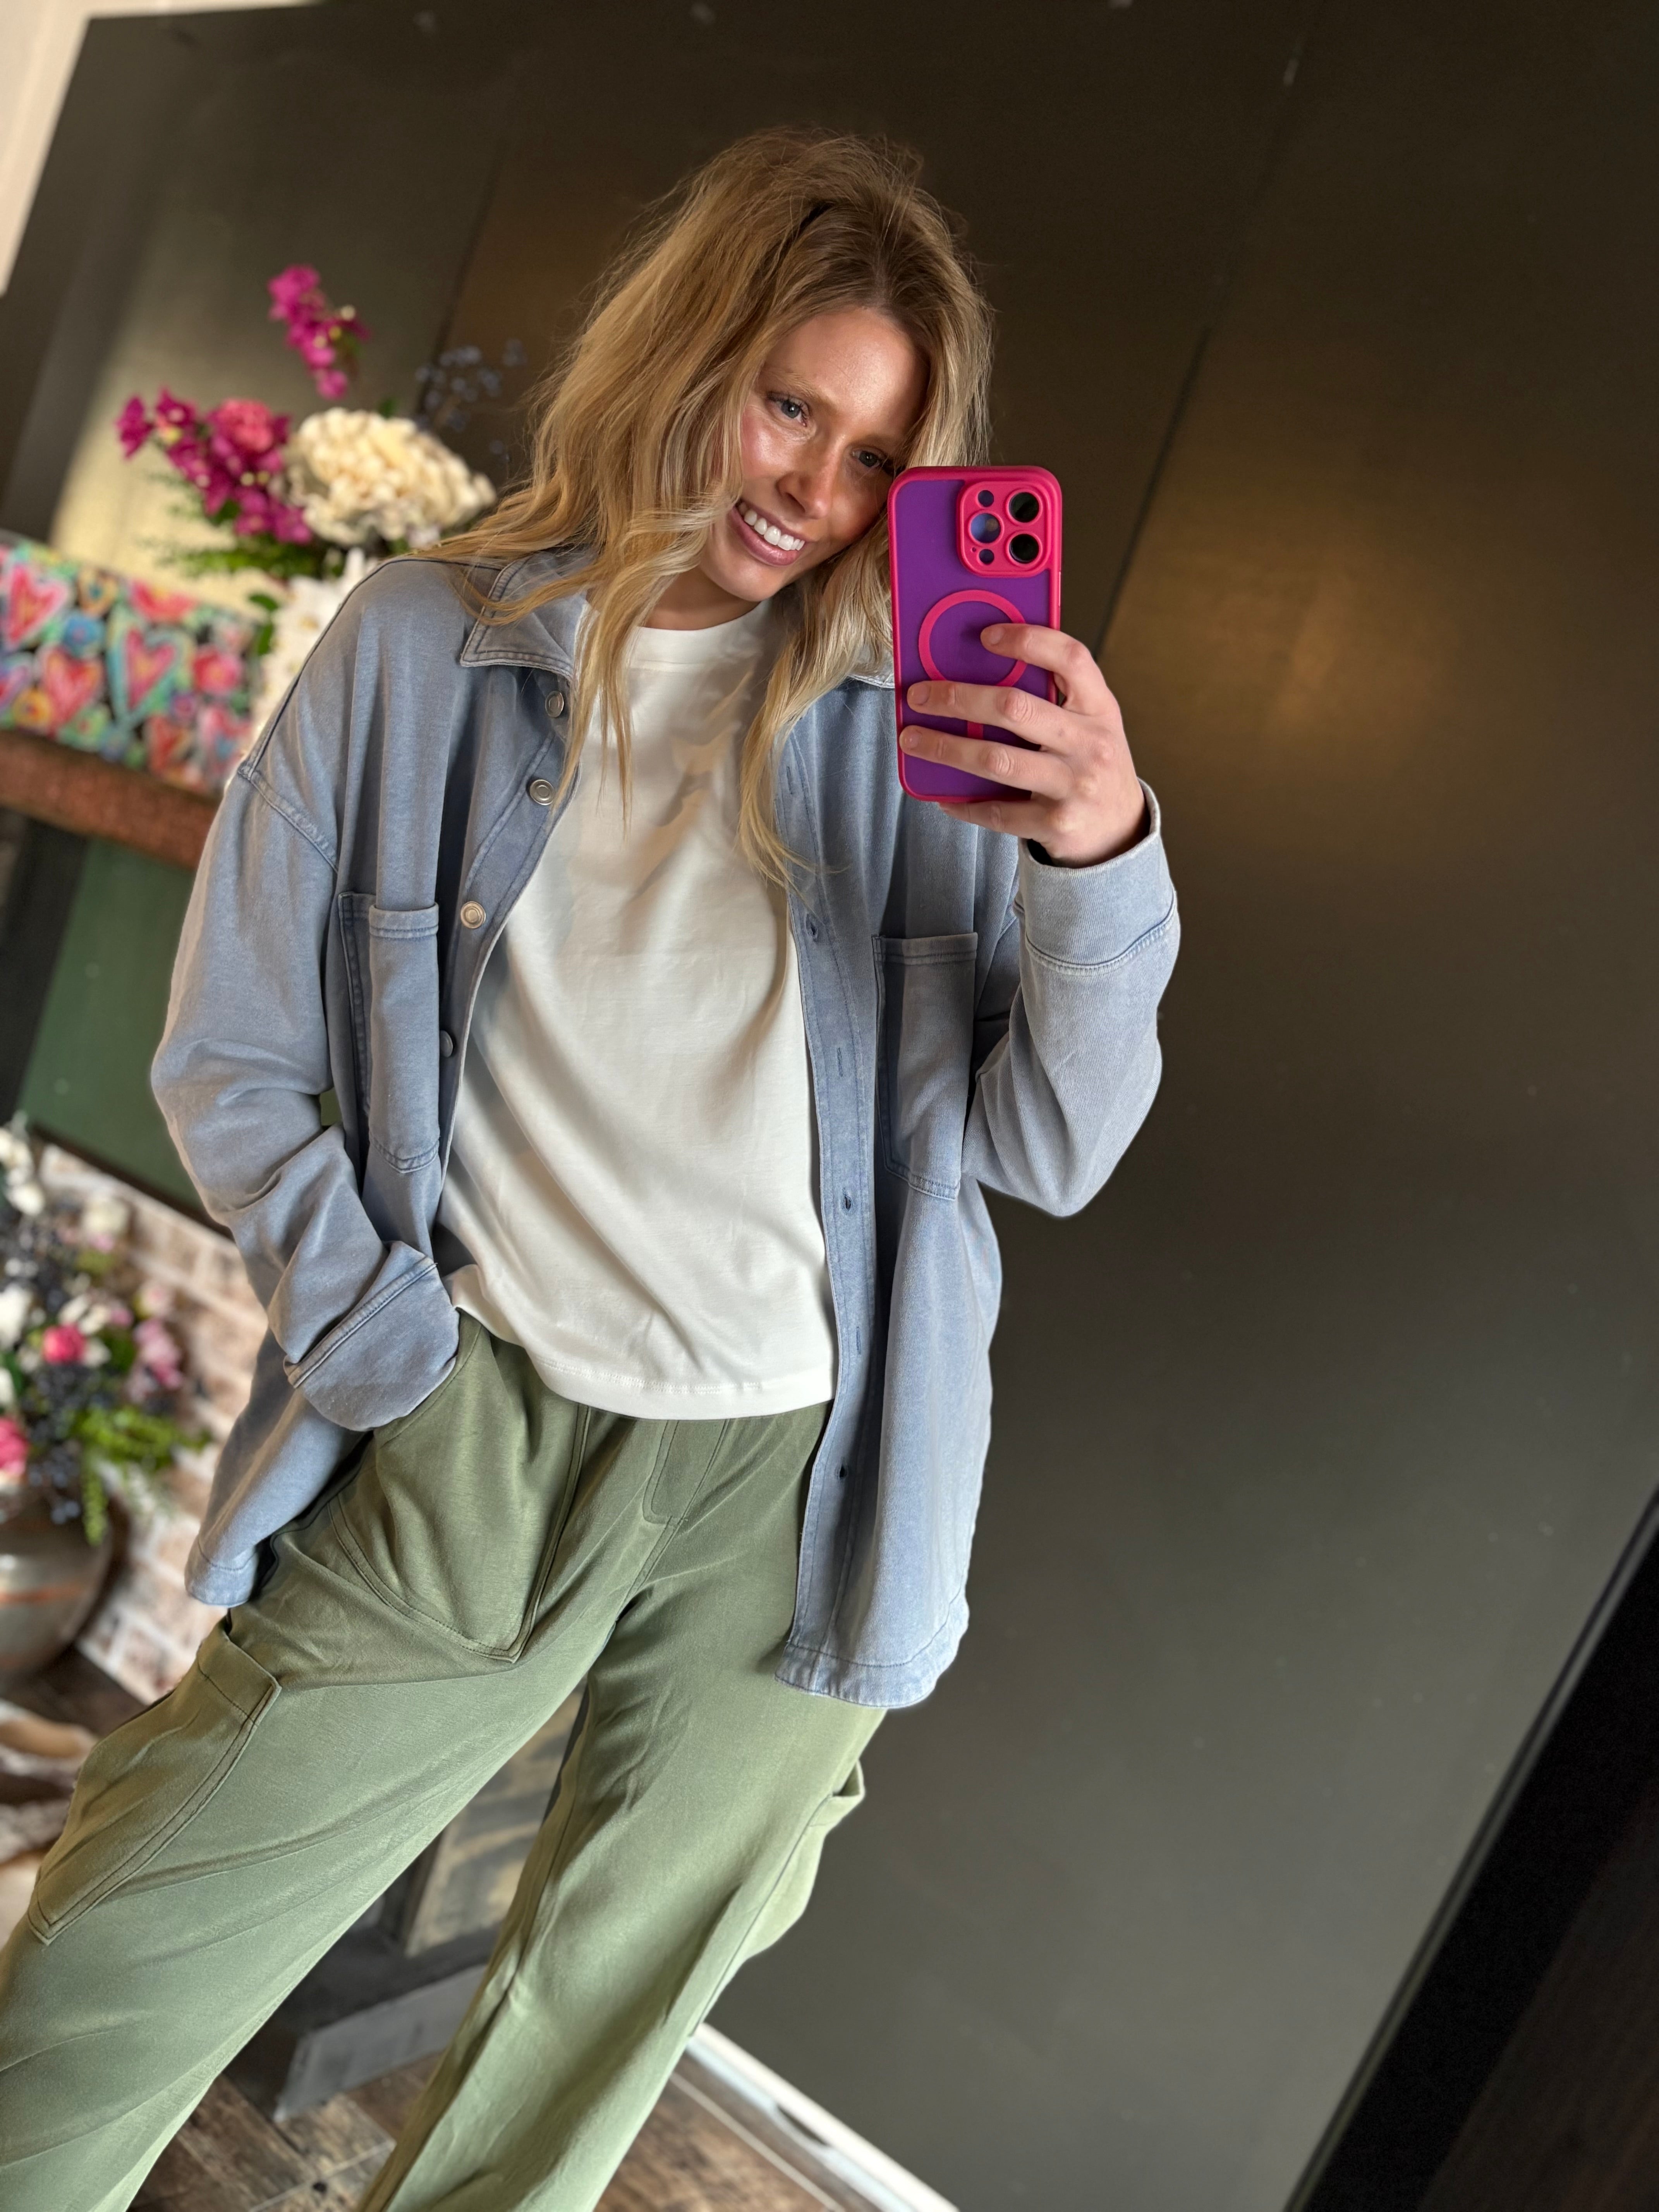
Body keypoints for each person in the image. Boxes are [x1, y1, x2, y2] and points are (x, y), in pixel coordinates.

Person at [0, 127, 1178, 2209]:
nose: (815, 489)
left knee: (579, 2074)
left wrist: (1101, 860)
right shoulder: (416, 649)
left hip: (804, 1481)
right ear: (683, 356)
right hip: (476, 1422)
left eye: (877, 457)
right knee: (103, 1979)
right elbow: (235, 1057)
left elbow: (1051, 1147)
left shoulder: (926, 722)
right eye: (786, 404)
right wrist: (394, 1351)